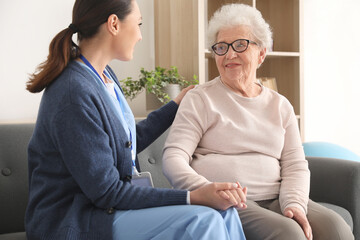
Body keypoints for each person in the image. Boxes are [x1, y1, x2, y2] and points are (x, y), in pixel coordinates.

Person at [24, 0, 248, 239]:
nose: (140, 36)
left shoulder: (105, 76)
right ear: (114, 24)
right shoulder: (73, 92)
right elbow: (107, 192)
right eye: (138, 24)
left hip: (109, 208)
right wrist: (194, 195)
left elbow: (125, 144)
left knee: (226, 213)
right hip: (77, 218)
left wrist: (175, 105)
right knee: (203, 219)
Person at [162, 3, 354, 240]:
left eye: (240, 45)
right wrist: (206, 190)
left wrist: (293, 204)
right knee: (288, 234)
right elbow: (173, 157)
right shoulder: (200, 99)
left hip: (277, 196)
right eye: (221, 47)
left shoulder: (280, 105)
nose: (229, 54)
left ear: (261, 53)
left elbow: (295, 164)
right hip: (228, 201)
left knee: (335, 229)